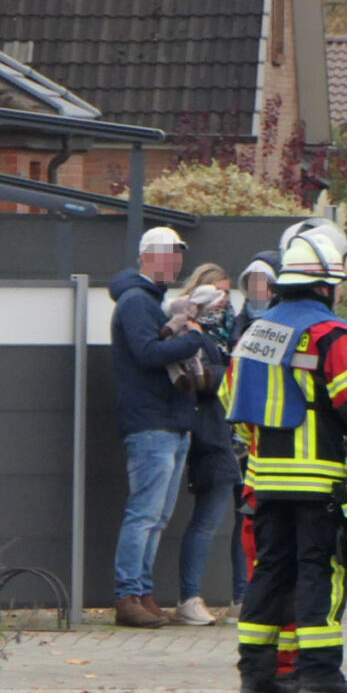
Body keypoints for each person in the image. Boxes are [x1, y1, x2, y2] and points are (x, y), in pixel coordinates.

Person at [227, 224, 347, 693]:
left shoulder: (257, 333)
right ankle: (319, 674)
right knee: (318, 570)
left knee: (269, 571)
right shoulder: (330, 332)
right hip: (319, 480)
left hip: (264, 480)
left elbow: (232, 403)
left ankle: (257, 677)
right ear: (326, 286)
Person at [110, 225, 214, 627]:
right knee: (144, 513)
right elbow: (149, 353)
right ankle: (128, 595)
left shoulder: (149, 301)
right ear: (148, 256)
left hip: (169, 422)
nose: (176, 262)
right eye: (169, 254)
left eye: (179, 255)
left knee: (156, 516)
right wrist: (195, 339)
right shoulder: (138, 301)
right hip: (152, 422)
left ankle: (142, 592)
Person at [171, 264, 241, 625]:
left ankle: (243, 598)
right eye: (216, 292)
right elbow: (199, 379)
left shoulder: (235, 327)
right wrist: (227, 373)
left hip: (238, 433)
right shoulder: (189, 328)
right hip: (210, 433)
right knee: (207, 519)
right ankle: (189, 597)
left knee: (246, 519)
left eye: (228, 293)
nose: (223, 300)